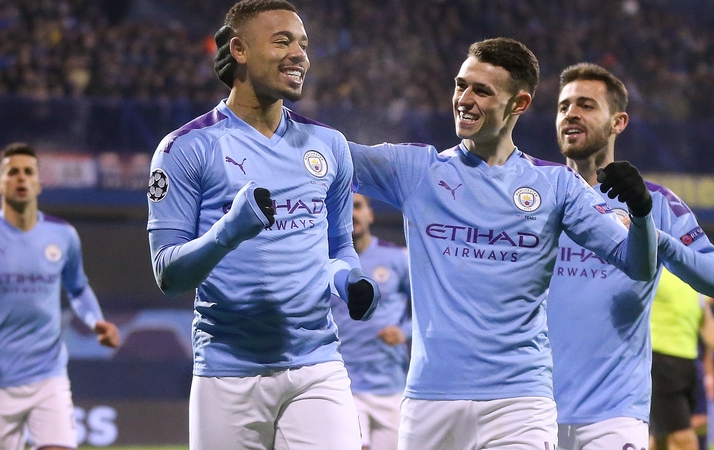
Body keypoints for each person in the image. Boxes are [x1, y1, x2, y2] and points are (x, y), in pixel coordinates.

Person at [214, 33, 657, 450]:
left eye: (482, 92)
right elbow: (324, 149)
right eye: (461, 86)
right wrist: (254, 89)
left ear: (519, 103)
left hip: (519, 402)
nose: (464, 100)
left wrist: (640, 214)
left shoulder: (555, 186)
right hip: (429, 401)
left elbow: (635, 264)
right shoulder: (418, 172)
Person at [147, 1, 379, 449]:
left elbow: (338, 246)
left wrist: (351, 280)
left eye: (304, 44)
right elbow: (167, 274)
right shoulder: (186, 148)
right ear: (240, 49)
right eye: (282, 41)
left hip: (317, 367)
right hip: (227, 371)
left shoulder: (329, 145)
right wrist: (228, 232)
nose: (300, 55)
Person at [544, 62, 714, 450]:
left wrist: (652, 237)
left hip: (615, 413)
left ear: (618, 121)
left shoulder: (656, 202)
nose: (571, 113)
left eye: (586, 105)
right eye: (563, 105)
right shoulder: (535, 196)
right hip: (530, 408)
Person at [0, 142, 120, 450]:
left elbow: (78, 288)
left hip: (48, 374)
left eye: (28, 172)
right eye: (12, 172)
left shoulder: (63, 235)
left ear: (39, 184)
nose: (21, 178)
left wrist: (96, 321)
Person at [330, 193, 411, 450]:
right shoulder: (325, 262)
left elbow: (427, 309)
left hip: (389, 384)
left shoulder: (398, 258)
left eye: (357, 206)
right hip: (341, 383)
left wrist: (404, 332)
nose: (351, 213)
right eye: (343, 208)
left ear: (370, 214)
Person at [650, 271, 714, 450]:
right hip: (659, 362)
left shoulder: (695, 279)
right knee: (684, 439)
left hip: (688, 365)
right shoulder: (656, 267)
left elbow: (706, 325)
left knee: (662, 437)